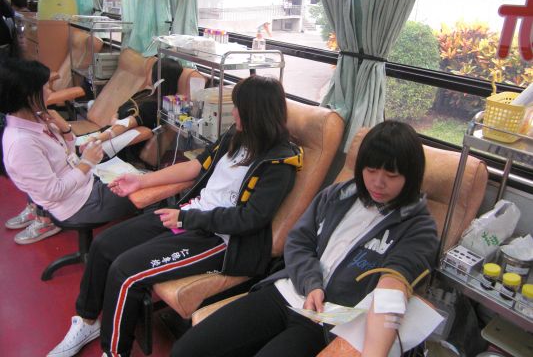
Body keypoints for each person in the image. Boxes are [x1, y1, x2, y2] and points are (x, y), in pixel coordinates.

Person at [48, 75, 303, 357]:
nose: (234, 113)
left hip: (220, 239)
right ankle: (86, 321)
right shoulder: (237, 135)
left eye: (238, 108)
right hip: (190, 215)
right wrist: (141, 181)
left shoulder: (280, 163)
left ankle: (114, 352)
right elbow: (196, 166)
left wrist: (187, 219)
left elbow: (249, 219)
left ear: (256, 113)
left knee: (126, 272)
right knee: (103, 245)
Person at [171, 120, 439, 357]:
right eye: (371, 171)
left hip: (327, 319)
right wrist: (312, 284)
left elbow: (392, 289)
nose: (378, 183)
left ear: (410, 177)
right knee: (187, 349)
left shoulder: (418, 228)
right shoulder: (338, 195)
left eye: (391, 176)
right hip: (288, 291)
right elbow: (299, 241)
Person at [0, 58, 137, 244]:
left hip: (84, 186)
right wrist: (86, 163)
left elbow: (66, 154)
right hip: (78, 204)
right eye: (46, 87)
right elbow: (53, 192)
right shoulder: (21, 144)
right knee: (147, 192)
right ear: (29, 95)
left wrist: (65, 129)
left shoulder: (37, 120)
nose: (50, 92)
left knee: (138, 181)